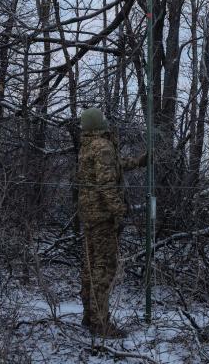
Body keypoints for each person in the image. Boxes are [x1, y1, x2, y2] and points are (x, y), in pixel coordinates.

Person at [76, 107, 146, 337]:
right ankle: (100, 323)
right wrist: (120, 210)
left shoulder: (88, 145)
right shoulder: (102, 147)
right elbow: (106, 184)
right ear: (99, 124)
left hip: (89, 216)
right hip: (103, 217)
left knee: (90, 266)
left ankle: (89, 317)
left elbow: (112, 167)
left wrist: (139, 162)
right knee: (104, 268)